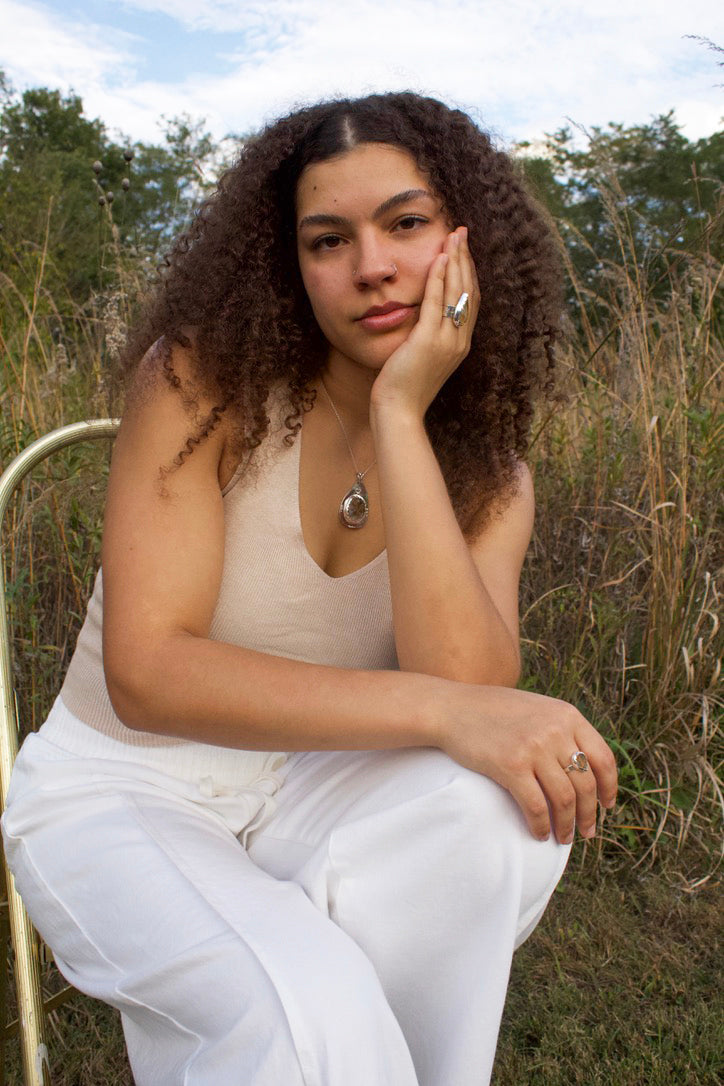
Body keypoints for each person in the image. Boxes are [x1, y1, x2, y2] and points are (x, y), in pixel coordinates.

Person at [2, 92, 617, 1086]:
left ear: (470, 244)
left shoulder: (491, 476)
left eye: (406, 224)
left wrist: (402, 417)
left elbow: (467, 680)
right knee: (307, 1019)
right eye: (328, 239)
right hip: (126, 790)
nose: (370, 265)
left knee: (488, 811)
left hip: (310, 789)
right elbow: (150, 675)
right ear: (290, 265)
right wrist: (445, 713)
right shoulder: (203, 384)